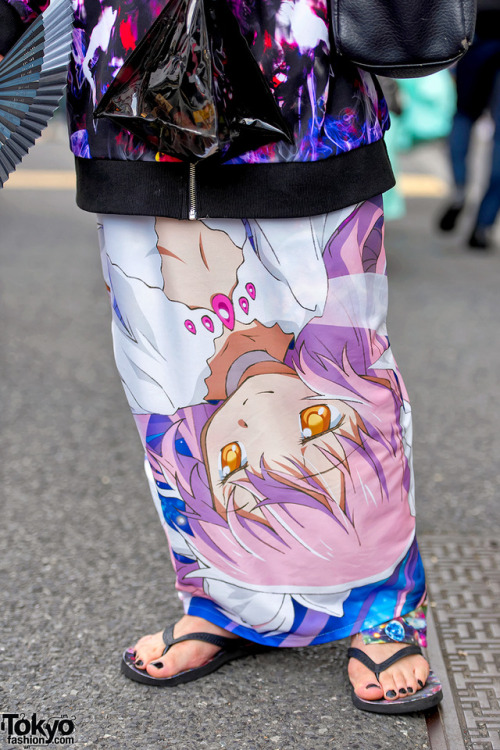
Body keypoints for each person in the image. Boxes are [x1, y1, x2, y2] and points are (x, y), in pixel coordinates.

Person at [0, 0, 443, 714]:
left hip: (305, 114)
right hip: (134, 111)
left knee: (347, 386)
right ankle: (220, 593)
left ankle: (385, 607)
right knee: (170, 393)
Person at [438, 0, 500, 250]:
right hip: (480, 35)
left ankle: (460, 189)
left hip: (474, 36)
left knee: (462, 117)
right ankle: (483, 226)